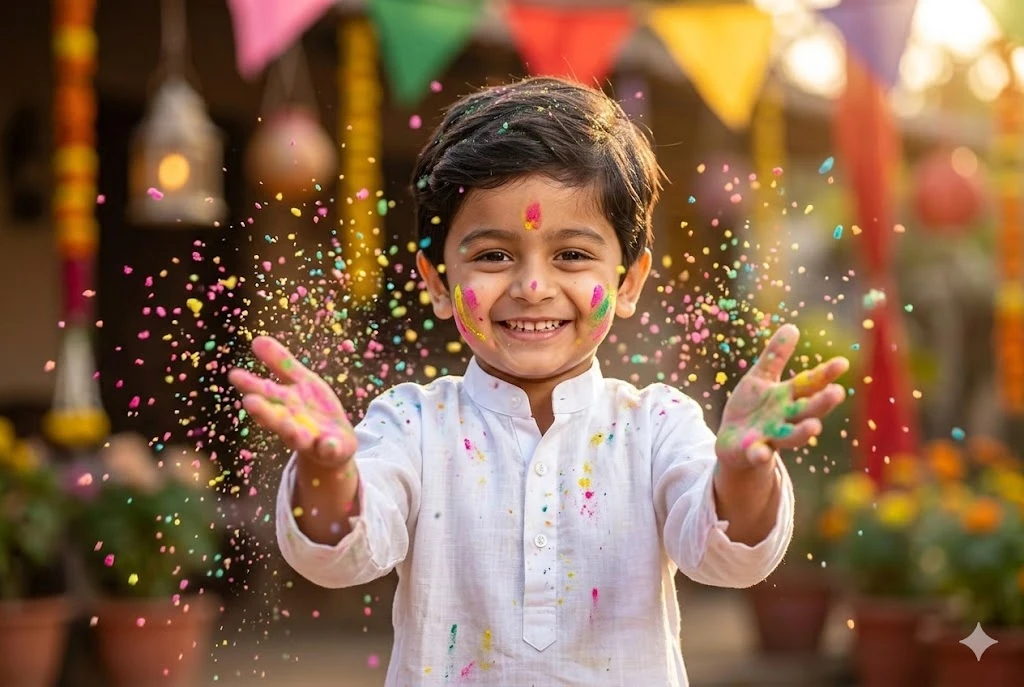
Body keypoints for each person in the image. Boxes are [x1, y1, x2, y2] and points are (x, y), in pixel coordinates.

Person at [228, 76, 849, 686]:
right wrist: (328, 473)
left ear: (629, 280)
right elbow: (343, 556)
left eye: (572, 255)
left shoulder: (658, 425)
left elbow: (724, 558)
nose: (532, 286)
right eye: (493, 255)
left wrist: (742, 474)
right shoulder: (412, 424)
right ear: (439, 281)